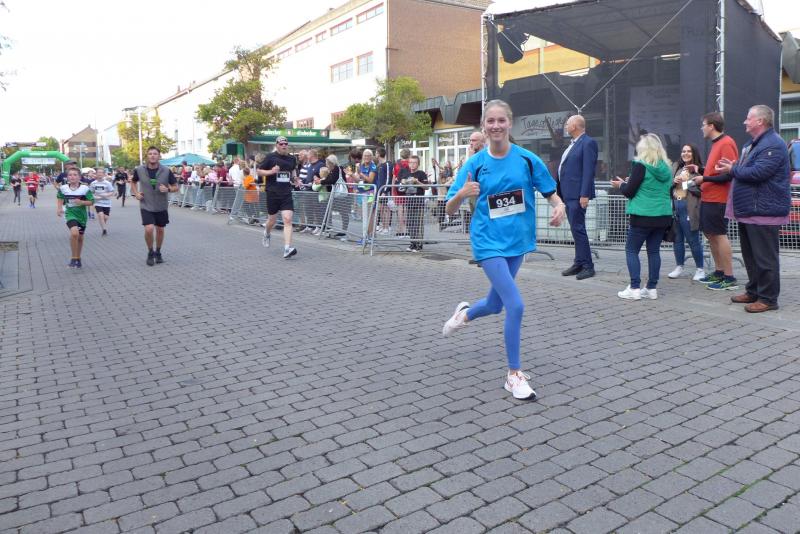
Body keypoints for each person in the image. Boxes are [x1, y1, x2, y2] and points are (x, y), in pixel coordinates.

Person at [442, 99, 567, 400]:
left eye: (501, 120)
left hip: (517, 242)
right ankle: (513, 375)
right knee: (515, 305)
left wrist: (560, 206)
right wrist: (462, 194)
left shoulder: (527, 159)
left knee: (495, 304)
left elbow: (551, 193)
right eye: (490, 121)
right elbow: (448, 209)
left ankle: (464, 315)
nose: (496, 126)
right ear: (483, 127)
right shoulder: (474, 164)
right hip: (487, 242)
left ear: (510, 123)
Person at [716, 105, 791, 313]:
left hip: (764, 212)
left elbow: (758, 173)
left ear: (760, 121)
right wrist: (735, 167)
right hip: (751, 211)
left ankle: (768, 299)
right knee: (751, 257)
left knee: (765, 258)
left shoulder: (773, 144)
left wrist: (734, 169)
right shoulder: (754, 144)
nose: (745, 122)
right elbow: (747, 170)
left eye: (748, 118)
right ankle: (754, 291)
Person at [611, 134, 673, 300]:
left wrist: (622, 184)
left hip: (642, 215)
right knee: (654, 251)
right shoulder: (667, 168)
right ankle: (651, 288)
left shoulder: (640, 165)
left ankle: (634, 288)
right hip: (662, 215)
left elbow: (629, 191)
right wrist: (631, 182)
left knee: (631, 250)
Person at [695, 112, 739, 290]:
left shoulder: (726, 143)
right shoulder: (717, 144)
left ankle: (729, 277)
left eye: (703, 125)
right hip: (709, 197)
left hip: (719, 199)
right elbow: (715, 171)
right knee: (710, 234)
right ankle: (719, 272)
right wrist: (700, 170)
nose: (701, 128)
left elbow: (729, 175)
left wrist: (704, 179)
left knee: (719, 234)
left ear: (711, 126)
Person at [557, 115, 598, 280]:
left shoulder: (588, 143)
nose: (566, 126)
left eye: (567, 124)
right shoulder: (574, 143)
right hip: (568, 194)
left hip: (577, 195)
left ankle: (588, 266)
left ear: (574, 126)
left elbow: (588, 171)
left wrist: (584, 194)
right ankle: (579, 262)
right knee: (576, 229)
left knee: (579, 229)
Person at [130, 146, 179, 266]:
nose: (152, 156)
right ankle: (150, 252)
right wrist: (136, 193)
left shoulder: (166, 170)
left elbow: (176, 187)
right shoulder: (139, 170)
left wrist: (168, 189)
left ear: (159, 156)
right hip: (146, 204)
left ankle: (158, 252)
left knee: (160, 230)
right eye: (150, 153)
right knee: (149, 228)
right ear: (147, 156)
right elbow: (133, 182)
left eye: (155, 154)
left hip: (161, 205)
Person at [256, 136, 298, 258]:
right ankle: (267, 233)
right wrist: (271, 172)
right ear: (277, 145)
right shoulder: (270, 157)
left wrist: (296, 178)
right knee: (272, 221)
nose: (284, 146)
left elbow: (293, 170)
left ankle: (287, 249)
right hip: (273, 193)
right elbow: (259, 171)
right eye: (281, 144)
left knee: (288, 219)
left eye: (285, 144)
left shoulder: (292, 158)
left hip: (286, 192)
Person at [668, 144, 705, 281]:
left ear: (694, 153)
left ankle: (700, 269)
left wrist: (685, 182)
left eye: (689, 151)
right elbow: (667, 185)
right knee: (677, 239)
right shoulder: (676, 166)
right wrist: (673, 182)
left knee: (693, 239)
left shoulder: (699, 169)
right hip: (675, 206)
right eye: (683, 151)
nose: (686, 153)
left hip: (689, 206)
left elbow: (701, 189)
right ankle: (679, 266)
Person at [56, 167, 94, 268]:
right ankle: (73, 258)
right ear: (67, 177)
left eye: (75, 175)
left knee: (80, 237)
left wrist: (82, 202)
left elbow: (91, 202)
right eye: (70, 175)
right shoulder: (63, 188)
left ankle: (78, 258)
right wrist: (59, 208)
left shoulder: (85, 188)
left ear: (79, 177)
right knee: (74, 233)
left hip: (81, 216)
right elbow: (60, 197)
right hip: (70, 213)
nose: (72, 177)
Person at [398, 155, 428, 251]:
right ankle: (412, 243)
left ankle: (419, 244)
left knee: (418, 224)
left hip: (419, 202)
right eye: (411, 162)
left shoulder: (421, 174)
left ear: (418, 164)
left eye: (414, 163)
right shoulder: (406, 174)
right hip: (409, 202)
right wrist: (402, 183)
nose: (412, 164)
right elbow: (401, 189)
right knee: (410, 223)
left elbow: (427, 187)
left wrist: (417, 182)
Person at [90, 168, 115, 236]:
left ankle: (103, 225)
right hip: (98, 202)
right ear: (96, 174)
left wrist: (106, 195)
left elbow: (112, 191)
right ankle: (104, 229)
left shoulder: (107, 183)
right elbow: (90, 192)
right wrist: (94, 197)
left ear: (104, 174)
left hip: (107, 203)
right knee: (100, 215)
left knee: (105, 217)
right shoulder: (93, 183)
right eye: (98, 172)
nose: (100, 174)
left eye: (101, 172)